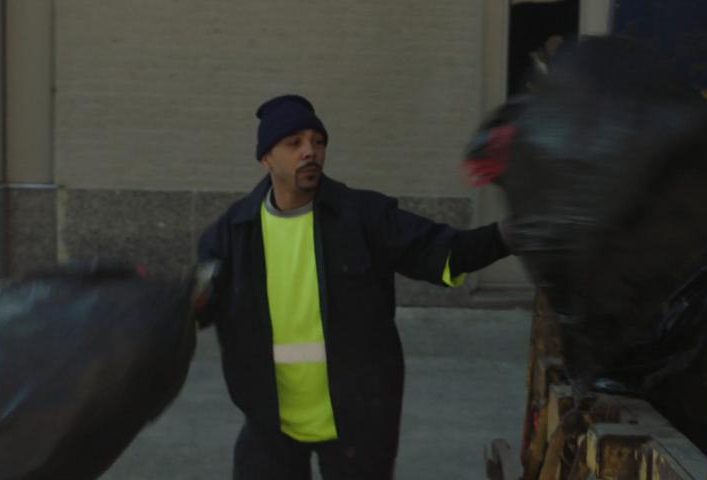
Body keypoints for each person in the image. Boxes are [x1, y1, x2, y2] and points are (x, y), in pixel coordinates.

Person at [197, 94, 511, 479]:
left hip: (359, 425)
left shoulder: (363, 216)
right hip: (269, 426)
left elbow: (444, 252)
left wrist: (508, 234)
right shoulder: (233, 234)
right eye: (294, 143)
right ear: (266, 158)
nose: (310, 152)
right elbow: (198, 305)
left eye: (318, 141)